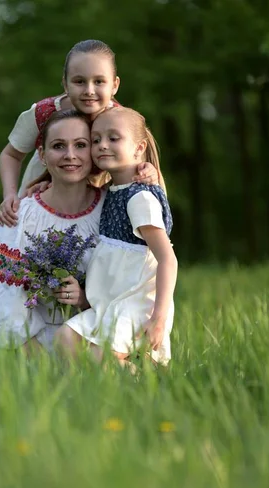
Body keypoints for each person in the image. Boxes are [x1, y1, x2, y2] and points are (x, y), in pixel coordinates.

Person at [55, 107, 178, 366]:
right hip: (110, 303)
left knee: (100, 358)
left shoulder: (140, 198)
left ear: (138, 147)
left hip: (136, 304)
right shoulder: (113, 191)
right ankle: (133, 376)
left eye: (113, 138)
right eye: (96, 139)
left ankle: (147, 384)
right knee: (65, 338)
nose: (102, 145)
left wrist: (159, 318)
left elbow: (168, 260)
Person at [0, 110, 104, 351]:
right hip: (32, 353)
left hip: (95, 343)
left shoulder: (114, 211)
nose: (70, 155)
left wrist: (86, 298)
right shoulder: (19, 217)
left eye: (81, 145)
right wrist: (45, 369)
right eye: (58, 146)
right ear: (42, 155)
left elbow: (133, 286)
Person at [0, 39, 163, 228]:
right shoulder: (43, 114)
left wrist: (146, 172)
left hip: (94, 201)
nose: (89, 91)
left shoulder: (120, 124)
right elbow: (11, 154)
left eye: (99, 81)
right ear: (65, 84)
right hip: (42, 189)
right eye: (79, 82)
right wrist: (9, 195)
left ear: (115, 85)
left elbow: (133, 169)